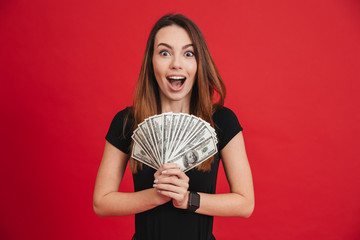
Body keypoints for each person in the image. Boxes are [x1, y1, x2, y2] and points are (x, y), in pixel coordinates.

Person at [93, 14, 254, 240]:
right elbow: (101, 203)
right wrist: (158, 195)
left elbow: (245, 203)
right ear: (151, 61)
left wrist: (187, 199)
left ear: (199, 63)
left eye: (188, 53)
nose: (176, 63)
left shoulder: (222, 121)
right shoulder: (127, 122)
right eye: (165, 52)